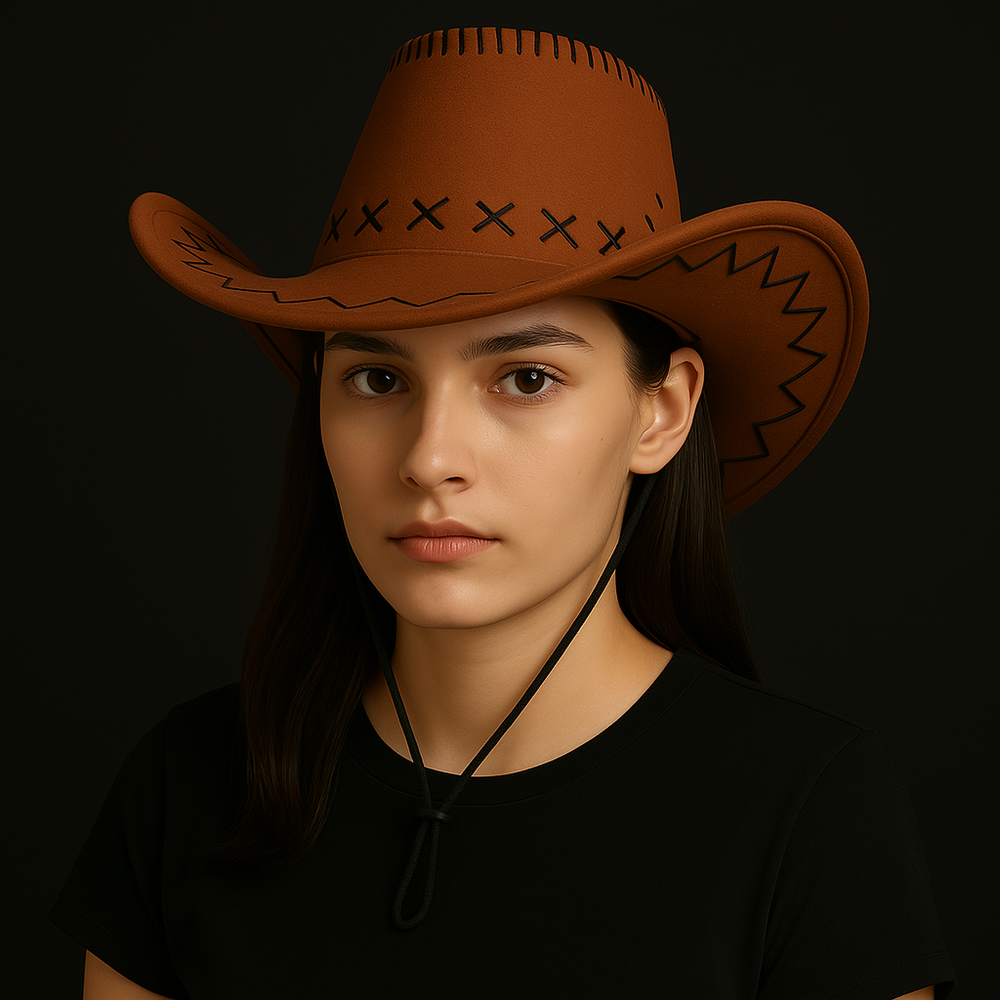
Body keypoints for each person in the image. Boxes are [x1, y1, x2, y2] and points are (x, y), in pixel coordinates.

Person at [50, 26, 955, 999]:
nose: (431, 458)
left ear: (663, 409)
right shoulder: (183, 789)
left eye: (524, 377)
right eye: (376, 376)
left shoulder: (807, 814)